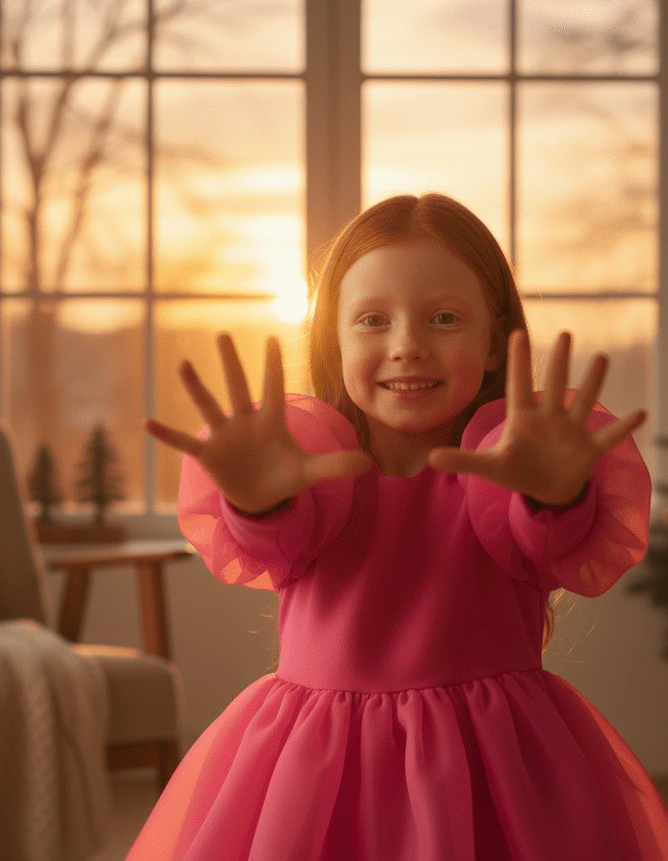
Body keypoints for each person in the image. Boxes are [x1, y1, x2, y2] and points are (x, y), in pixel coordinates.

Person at [129, 193, 668, 860]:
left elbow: (550, 542)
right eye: (373, 320)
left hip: (491, 767)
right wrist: (254, 502)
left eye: (443, 318)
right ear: (334, 339)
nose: (407, 346)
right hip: (312, 769)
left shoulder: (510, 468)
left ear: (493, 337)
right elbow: (273, 541)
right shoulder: (309, 468)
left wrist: (555, 495)